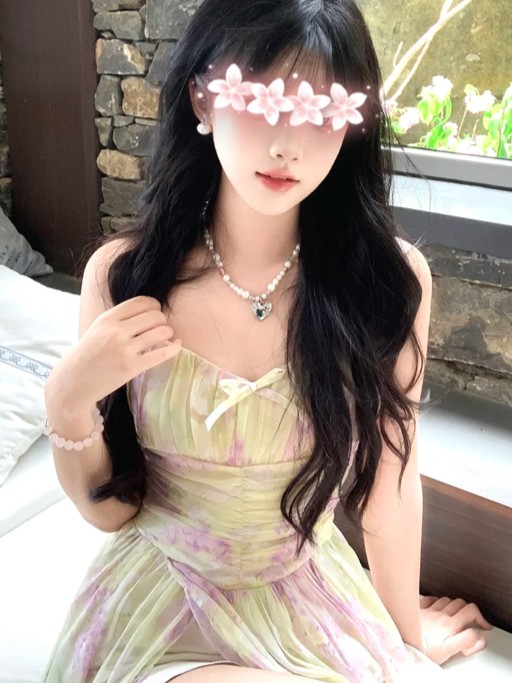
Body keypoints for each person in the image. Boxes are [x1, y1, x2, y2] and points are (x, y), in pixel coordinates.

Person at [41, 0, 493, 681]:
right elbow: (113, 512)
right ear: (203, 97)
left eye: (320, 114)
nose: (289, 145)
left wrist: (403, 640)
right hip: (163, 610)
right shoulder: (127, 277)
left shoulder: (387, 283)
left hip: (307, 598)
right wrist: (66, 400)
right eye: (263, 101)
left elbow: (391, 490)